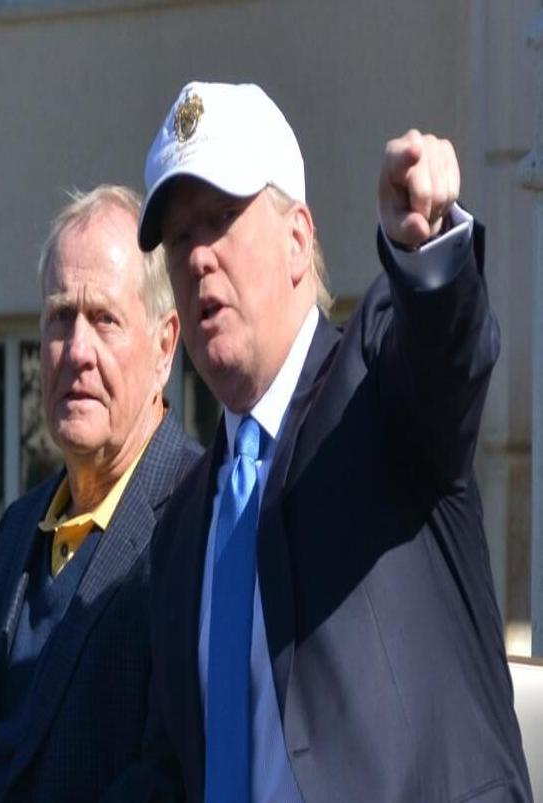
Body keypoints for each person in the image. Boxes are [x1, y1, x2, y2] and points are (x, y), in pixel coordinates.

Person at [134, 81, 532, 802]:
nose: (195, 259)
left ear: (297, 239)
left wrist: (428, 249)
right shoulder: (180, 526)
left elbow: (447, 353)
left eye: (221, 219)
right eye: (179, 236)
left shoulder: (376, 388)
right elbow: (172, 768)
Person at [0, 184, 201, 802]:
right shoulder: (19, 527)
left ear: (163, 346)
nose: (76, 351)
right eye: (59, 318)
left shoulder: (198, 520)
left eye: (104, 320)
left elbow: (172, 778)